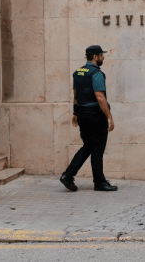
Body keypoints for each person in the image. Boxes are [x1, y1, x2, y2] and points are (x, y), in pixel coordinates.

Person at [60, 45, 117, 192]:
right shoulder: (96, 73)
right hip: (95, 115)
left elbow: (76, 96)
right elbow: (100, 96)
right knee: (97, 148)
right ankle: (99, 183)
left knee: (88, 146)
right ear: (95, 57)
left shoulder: (78, 73)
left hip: (83, 114)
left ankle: (68, 175)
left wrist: (75, 113)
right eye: (101, 55)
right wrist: (109, 117)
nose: (103, 58)